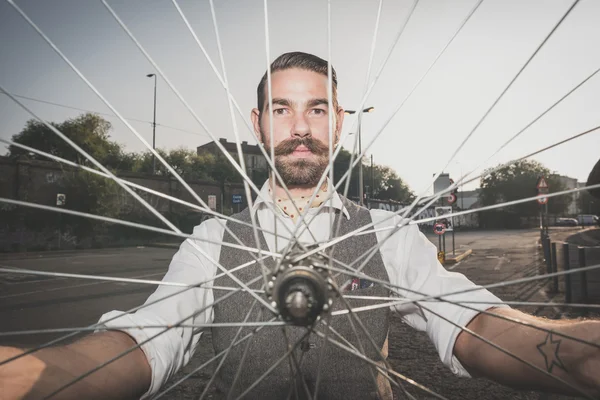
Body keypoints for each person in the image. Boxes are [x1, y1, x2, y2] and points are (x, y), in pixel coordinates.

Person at [1, 52, 598, 400]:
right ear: (260, 125)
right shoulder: (213, 241)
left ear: (338, 122)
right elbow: (149, 338)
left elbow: (467, 318)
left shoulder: (385, 234)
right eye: (282, 109)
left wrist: (574, 351)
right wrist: (36, 377)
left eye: (317, 108)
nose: (301, 126)